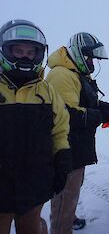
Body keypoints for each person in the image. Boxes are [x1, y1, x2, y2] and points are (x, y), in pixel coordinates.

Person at [0, 19, 71, 234]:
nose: (25, 56)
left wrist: (62, 157)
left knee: (32, 227)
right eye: (18, 51)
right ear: (5, 51)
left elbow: (60, 129)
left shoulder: (46, 91)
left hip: (33, 183)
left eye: (31, 53)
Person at [46, 32, 109, 234]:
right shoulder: (61, 74)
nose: (92, 62)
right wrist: (99, 115)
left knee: (74, 187)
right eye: (89, 58)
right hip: (65, 145)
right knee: (64, 192)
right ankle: (61, 228)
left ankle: (68, 218)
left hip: (78, 143)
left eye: (93, 59)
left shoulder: (76, 72)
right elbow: (65, 114)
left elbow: (84, 101)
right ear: (78, 54)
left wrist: (106, 107)